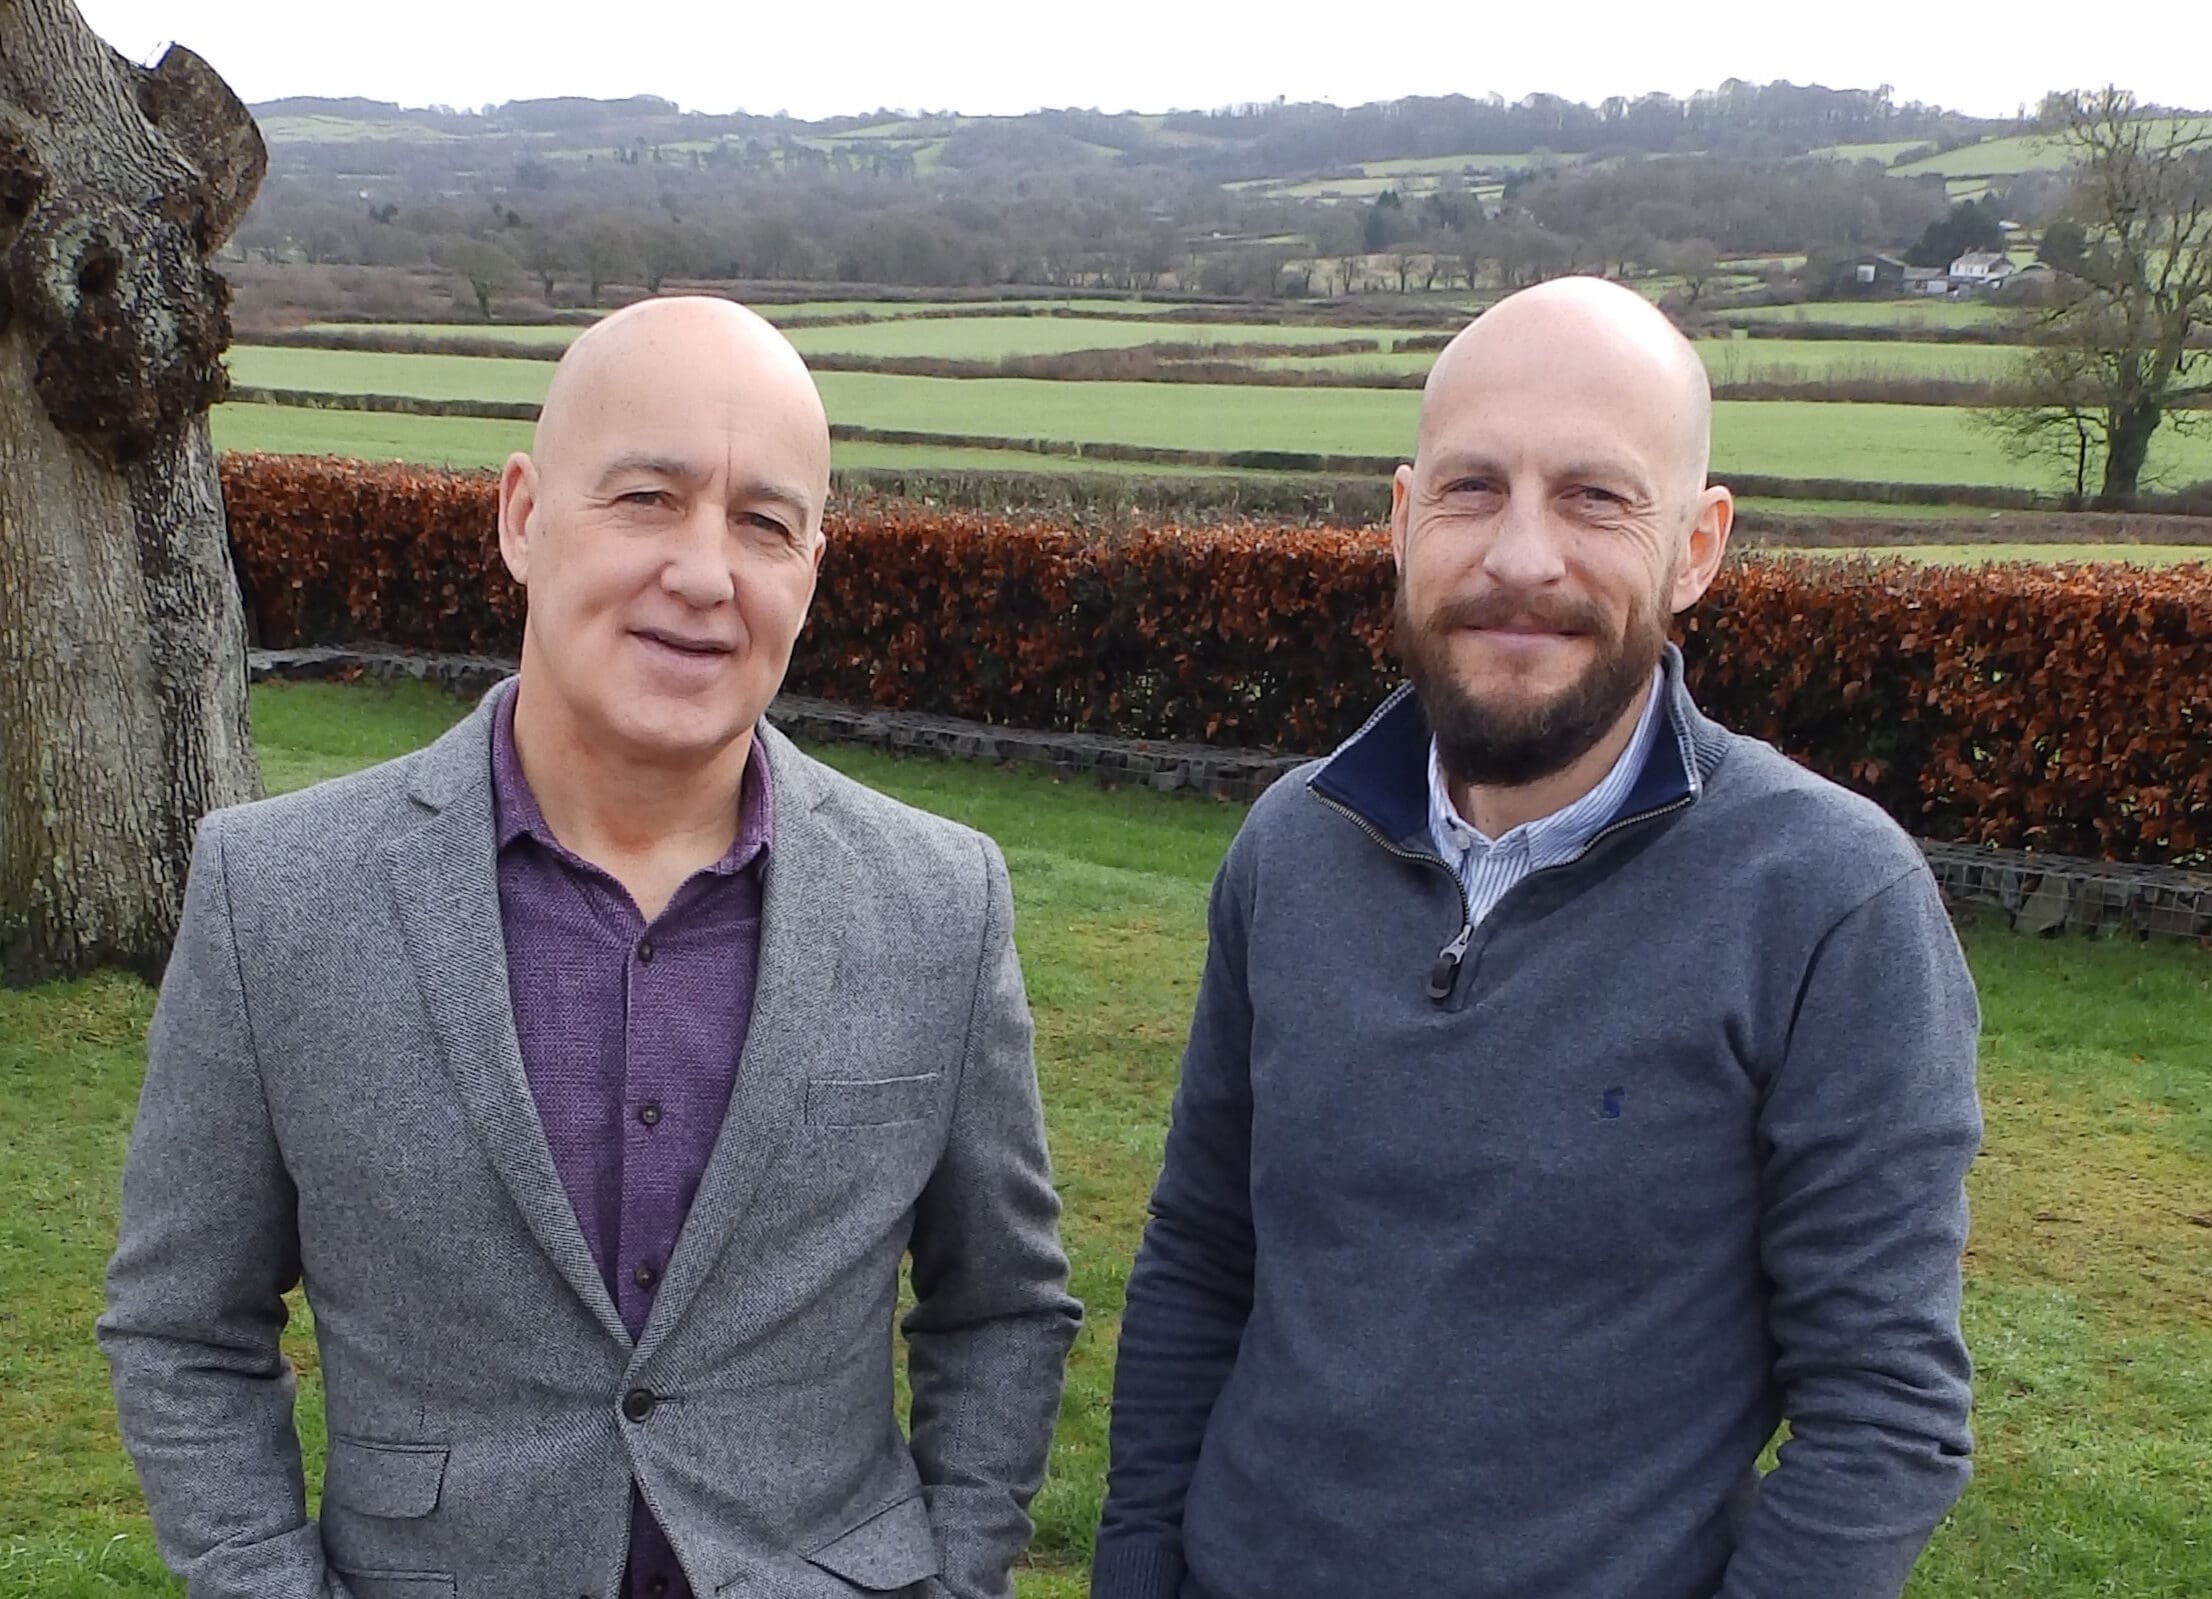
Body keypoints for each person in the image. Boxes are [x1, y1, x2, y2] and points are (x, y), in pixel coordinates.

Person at [101, 296, 1081, 1599]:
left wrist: (955, 1575)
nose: (702, 572)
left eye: (764, 524)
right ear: (520, 515)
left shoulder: (938, 902)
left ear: (811, 569)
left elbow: (1001, 1310)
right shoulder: (274, 897)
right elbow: (183, 1331)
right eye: (646, 497)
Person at [1091, 276, 1983, 1599]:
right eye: (1470, 490)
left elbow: (1884, 1412)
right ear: (1401, 521)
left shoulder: (1827, 901)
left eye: (1593, 496)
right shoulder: (1288, 846)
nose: (1519, 557)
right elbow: (1200, 1256)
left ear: (1696, 545)